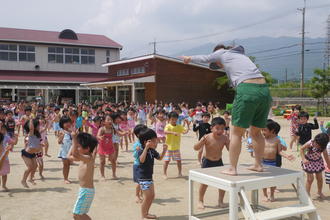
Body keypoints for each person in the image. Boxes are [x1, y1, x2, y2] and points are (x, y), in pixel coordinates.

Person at [181, 44, 272, 175]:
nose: (220, 66)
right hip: (265, 92)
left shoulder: (222, 53)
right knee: (256, 132)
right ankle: (258, 165)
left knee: (235, 132)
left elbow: (205, 58)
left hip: (247, 89)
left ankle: (232, 168)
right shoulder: (241, 56)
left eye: (217, 64)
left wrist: (189, 58)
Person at [193, 117, 229, 209]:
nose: (220, 131)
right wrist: (201, 141)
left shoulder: (224, 138)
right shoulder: (207, 137)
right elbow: (195, 148)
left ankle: (220, 201)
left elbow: (230, 150)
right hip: (207, 162)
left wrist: (232, 143)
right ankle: (200, 200)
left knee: (222, 182)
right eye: (217, 128)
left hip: (218, 161)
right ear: (211, 128)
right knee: (204, 183)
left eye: (222, 128)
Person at [136, 128, 167, 220]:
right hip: (143, 178)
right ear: (146, 142)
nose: (156, 143)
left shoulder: (152, 151)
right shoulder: (141, 150)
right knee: (147, 197)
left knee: (152, 196)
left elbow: (160, 158)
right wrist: (146, 148)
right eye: (154, 141)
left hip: (149, 178)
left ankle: (146, 213)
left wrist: (164, 150)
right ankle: (143, 215)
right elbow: (141, 160)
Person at [261, 120, 295, 202]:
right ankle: (265, 195)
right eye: (262, 130)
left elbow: (279, 152)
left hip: (273, 162)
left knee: (273, 180)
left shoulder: (277, 140)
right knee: (263, 180)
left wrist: (287, 156)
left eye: (265, 130)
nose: (263, 132)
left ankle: (272, 194)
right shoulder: (261, 139)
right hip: (263, 162)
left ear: (272, 131)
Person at [68, 131, 98, 220]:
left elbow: (75, 154)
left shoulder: (88, 158)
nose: (76, 148)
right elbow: (69, 156)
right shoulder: (83, 157)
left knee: (77, 214)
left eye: (78, 146)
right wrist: (74, 142)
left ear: (87, 148)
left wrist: (74, 139)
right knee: (79, 214)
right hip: (85, 190)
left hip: (86, 191)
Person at [300, 133, 330, 199]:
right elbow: (301, 149)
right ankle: (307, 194)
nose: (316, 145)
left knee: (320, 179)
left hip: (318, 162)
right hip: (309, 162)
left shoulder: (323, 148)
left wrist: (329, 166)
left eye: (318, 145)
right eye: (316, 143)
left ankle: (319, 192)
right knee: (310, 179)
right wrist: (303, 159)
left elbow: (326, 158)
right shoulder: (311, 142)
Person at [164, 112, 189, 178]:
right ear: (169, 119)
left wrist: (188, 125)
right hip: (168, 147)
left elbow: (185, 132)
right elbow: (165, 132)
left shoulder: (179, 126)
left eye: (175, 119)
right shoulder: (168, 125)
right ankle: (164, 174)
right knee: (166, 161)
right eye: (172, 119)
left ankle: (180, 173)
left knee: (179, 161)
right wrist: (173, 132)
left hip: (176, 147)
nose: (174, 121)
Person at [21, 119, 42, 188]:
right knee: (30, 167)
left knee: (35, 166)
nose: (39, 126)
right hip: (26, 154)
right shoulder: (31, 133)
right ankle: (23, 180)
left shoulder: (37, 133)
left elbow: (37, 142)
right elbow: (31, 128)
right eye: (38, 125)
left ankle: (30, 178)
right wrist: (30, 120)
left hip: (33, 154)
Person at [97, 115, 117, 180]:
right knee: (102, 162)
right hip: (102, 147)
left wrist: (125, 133)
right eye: (108, 120)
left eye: (111, 119)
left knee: (113, 160)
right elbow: (98, 136)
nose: (110, 121)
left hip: (110, 146)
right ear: (104, 122)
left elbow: (119, 133)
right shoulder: (102, 129)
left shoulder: (112, 128)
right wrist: (100, 137)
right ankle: (102, 176)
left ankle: (114, 174)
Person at [132, 124, 148, 203]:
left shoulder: (146, 142)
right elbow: (134, 156)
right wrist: (137, 151)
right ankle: (137, 195)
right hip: (138, 165)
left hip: (145, 165)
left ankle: (142, 194)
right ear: (138, 135)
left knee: (144, 181)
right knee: (139, 182)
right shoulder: (137, 144)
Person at [58, 116, 73, 184]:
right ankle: (65, 178)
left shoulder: (71, 131)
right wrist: (61, 137)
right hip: (64, 151)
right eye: (65, 122)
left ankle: (66, 178)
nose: (68, 124)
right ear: (62, 124)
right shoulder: (62, 131)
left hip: (70, 151)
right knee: (65, 165)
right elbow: (59, 142)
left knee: (68, 165)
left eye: (69, 122)